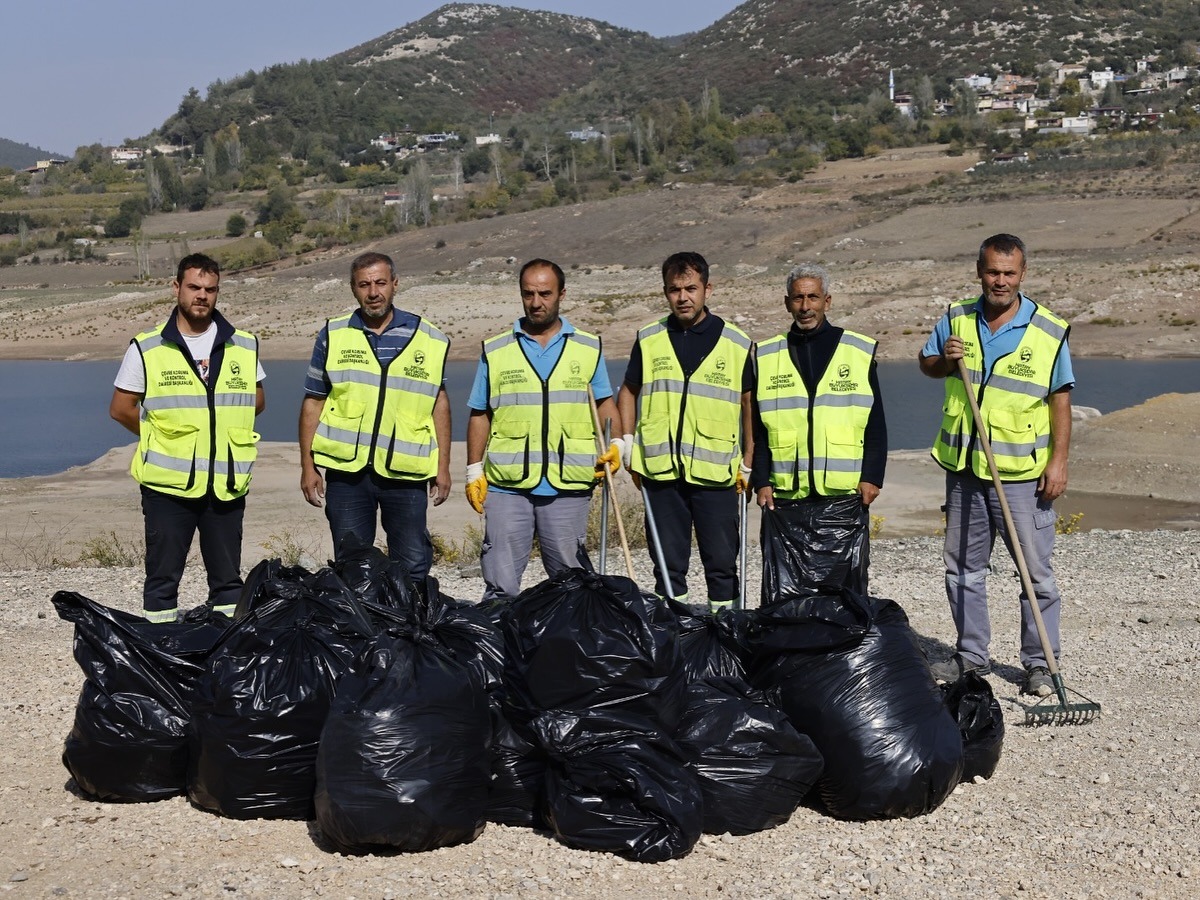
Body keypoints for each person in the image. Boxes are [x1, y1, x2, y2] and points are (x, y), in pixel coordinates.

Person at [918, 233, 1074, 699]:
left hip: (1022, 475)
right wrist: (944, 363)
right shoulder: (956, 317)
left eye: (1008, 273)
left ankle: (1040, 664)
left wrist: (1059, 463)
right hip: (965, 470)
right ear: (979, 271)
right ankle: (970, 655)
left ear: (1022, 274)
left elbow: (1060, 400)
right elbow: (925, 364)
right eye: (992, 272)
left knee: (1035, 574)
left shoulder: (1048, 331)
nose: (999, 280)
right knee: (963, 568)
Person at [109, 253, 266, 623]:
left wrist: (222, 429)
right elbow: (121, 408)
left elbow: (255, 401)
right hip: (168, 488)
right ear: (176, 287)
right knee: (163, 579)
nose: (202, 296)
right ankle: (159, 656)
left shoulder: (243, 345)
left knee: (229, 583)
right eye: (194, 287)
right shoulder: (148, 347)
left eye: (210, 289)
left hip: (226, 483)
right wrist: (162, 437)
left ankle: (226, 655)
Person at [464, 259, 621, 601]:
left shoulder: (587, 346)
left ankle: (569, 649)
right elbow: (480, 412)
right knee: (500, 584)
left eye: (545, 294)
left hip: (568, 485)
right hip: (507, 485)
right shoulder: (496, 349)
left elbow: (605, 404)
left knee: (572, 583)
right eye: (529, 294)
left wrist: (619, 444)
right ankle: (499, 646)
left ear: (562, 294)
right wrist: (474, 469)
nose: (536, 302)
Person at [617, 251, 754, 613]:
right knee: (667, 567)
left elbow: (748, 404)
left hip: (716, 473)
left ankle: (724, 636)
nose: (683, 297)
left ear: (707, 289)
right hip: (660, 474)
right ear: (665, 292)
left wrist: (750, 460)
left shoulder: (737, 343)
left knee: (722, 566)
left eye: (691, 288)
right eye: (674, 289)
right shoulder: (649, 338)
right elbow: (628, 391)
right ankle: (671, 637)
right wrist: (628, 443)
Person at [298, 251, 451, 575]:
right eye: (364, 284)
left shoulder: (430, 338)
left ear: (395, 284)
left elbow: (439, 402)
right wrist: (308, 466)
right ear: (353, 289)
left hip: (406, 473)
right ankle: (359, 627)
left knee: (411, 564)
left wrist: (443, 466)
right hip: (347, 474)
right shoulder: (333, 334)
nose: (373, 292)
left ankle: (410, 625)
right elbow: (314, 401)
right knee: (352, 565)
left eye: (380, 283)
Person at [751, 263, 886, 598]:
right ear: (787, 303)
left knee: (845, 586)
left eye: (813, 297)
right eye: (798, 298)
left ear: (828, 300)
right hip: (786, 495)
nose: (805, 306)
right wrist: (762, 481)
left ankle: (841, 646)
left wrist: (872, 477)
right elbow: (760, 429)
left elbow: (876, 423)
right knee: (787, 588)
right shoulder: (767, 355)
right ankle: (794, 648)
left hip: (843, 494)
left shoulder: (856, 351)